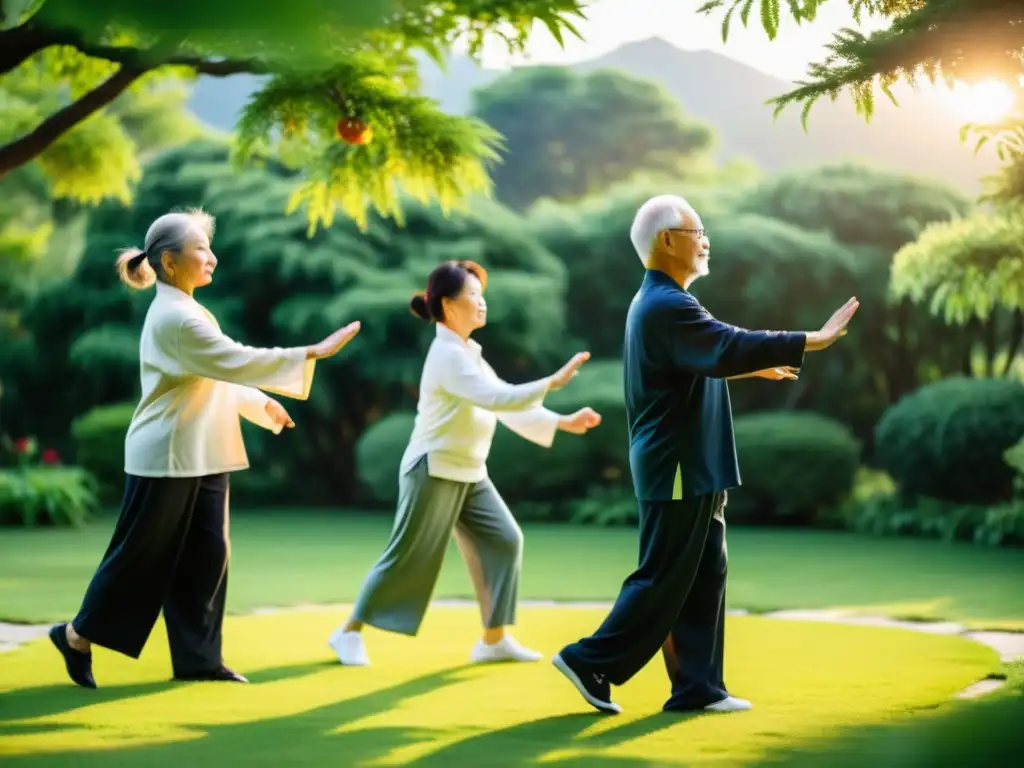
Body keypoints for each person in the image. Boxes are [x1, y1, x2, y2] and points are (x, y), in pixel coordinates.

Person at [552, 195, 859, 715]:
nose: (706, 239)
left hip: (692, 462)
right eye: (698, 230)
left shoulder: (665, 301)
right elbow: (724, 344)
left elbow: (705, 357)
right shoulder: (667, 304)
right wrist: (813, 339)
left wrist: (747, 366)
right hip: (676, 462)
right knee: (665, 573)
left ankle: (698, 687)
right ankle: (590, 660)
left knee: (704, 571)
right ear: (667, 240)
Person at [49, 208, 362, 689]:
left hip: (204, 451)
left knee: (208, 556)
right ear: (169, 263)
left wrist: (261, 406)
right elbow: (233, 358)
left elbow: (212, 373)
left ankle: (199, 659)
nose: (212, 258)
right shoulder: (177, 318)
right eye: (202, 249)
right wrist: (310, 353)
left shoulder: (189, 312)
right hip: (168, 455)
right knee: (140, 558)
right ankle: (74, 636)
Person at [328, 259, 601, 667]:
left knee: (505, 540)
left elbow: (504, 400)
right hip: (432, 468)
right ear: (448, 304)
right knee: (405, 555)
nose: (482, 303)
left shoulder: (468, 353)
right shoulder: (447, 355)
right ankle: (347, 633)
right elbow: (497, 399)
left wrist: (561, 422)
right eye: (473, 295)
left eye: (481, 294)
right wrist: (551, 384)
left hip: (470, 471)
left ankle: (494, 639)